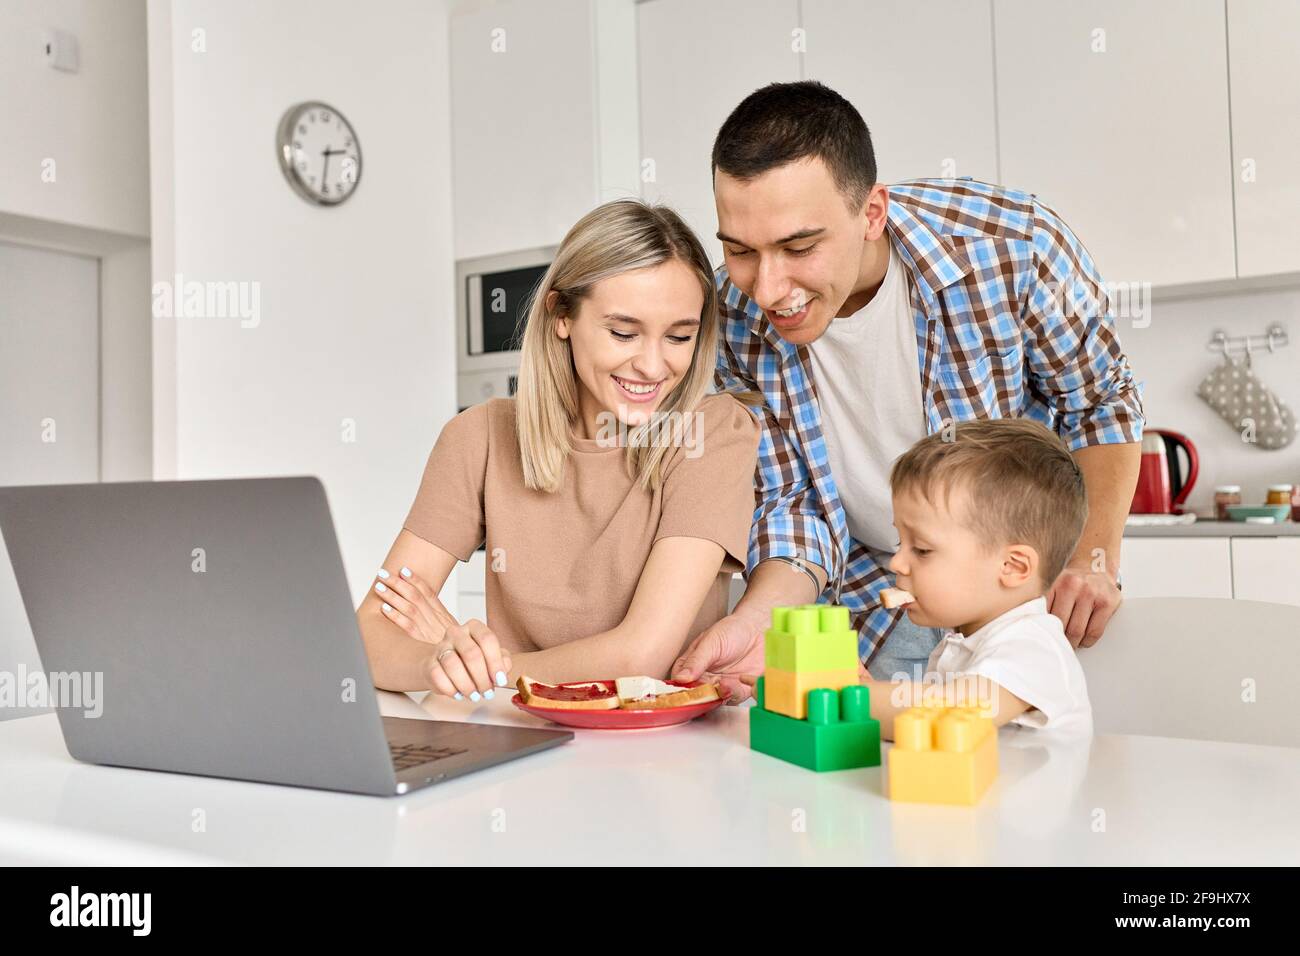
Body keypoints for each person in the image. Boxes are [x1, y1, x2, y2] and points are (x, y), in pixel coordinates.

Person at [674, 80, 1144, 698]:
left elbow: (1100, 402)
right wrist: (762, 619)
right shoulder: (732, 315)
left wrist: (1091, 558)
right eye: (739, 251)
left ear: (872, 213)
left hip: (1015, 594)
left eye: (799, 247)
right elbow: (794, 503)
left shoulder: (1013, 248)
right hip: (873, 592)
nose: (766, 288)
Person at [356, 199, 759, 700]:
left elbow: (642, 656)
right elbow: (371, 631)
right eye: (623, 333)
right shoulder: (476, 438)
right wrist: (440, 662)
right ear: (561, 315)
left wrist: (487, 667)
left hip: (660, 755)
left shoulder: (713, 433)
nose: (653, 366)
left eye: (679, 337)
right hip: (522, 741)